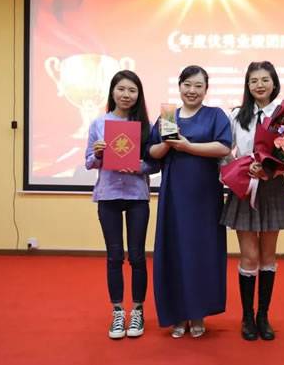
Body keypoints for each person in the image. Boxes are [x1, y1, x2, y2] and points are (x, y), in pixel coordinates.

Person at [148, 65, 232, 338]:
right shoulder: (168, 115)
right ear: (179, 86)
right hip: (174, 195)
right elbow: (152, 152)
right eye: (187, 84)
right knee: (174, 250)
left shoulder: (215, 114)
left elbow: (223, 146)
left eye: (198, 86)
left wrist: (187, 146)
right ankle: (178, 315)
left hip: (205, 196)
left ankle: (198, 314)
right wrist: (167, 144)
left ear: (206, 89)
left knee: (201, 253)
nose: (192, 90)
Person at [220, 61, 284, 341]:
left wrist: (271, 169)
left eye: (265, 80)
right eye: (254, 81)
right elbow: (224, 151)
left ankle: (264, 316)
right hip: (245, 188)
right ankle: (247, 317)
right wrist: (239, 168)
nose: (259, 85)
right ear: (247, 85)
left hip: (272, 188)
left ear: (274, 83)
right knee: (249, 256)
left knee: (268, 256)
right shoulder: (237, 115)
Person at [85, 70, 158, 339]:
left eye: (132, 90)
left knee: (137, 256)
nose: (126, 95)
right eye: (121, 89)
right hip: (108, 195)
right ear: (112, 91)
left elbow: (155, 164)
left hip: (137, 195)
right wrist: (98, 154)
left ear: (139, 94)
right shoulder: (99, 123)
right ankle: (118, 312)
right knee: (114, 256)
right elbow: (88, 162)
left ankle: (137, 310)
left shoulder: (146, 126)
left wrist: (139, 166)